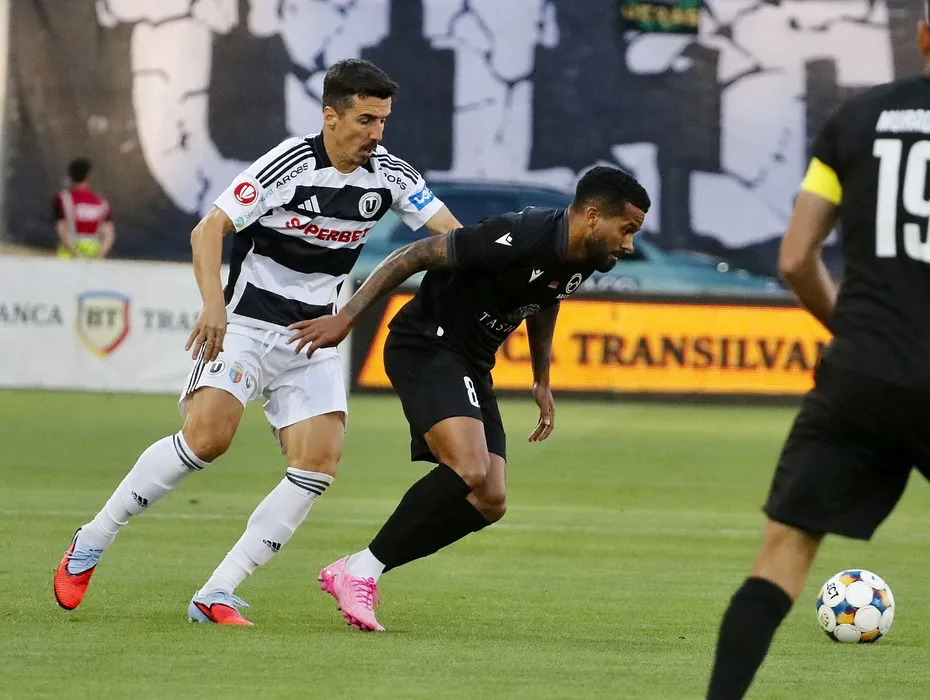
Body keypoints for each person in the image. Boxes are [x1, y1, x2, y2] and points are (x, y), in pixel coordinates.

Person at [53, 59, 462, 625]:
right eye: (366, 120)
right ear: (331, 116)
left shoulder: (391, 175)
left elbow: (454, 237)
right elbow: (208, 230)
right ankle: (94, 538)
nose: (377, 133)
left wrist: (514, 259)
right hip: (245, 325)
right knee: (206, 440)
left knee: (317, 466)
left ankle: (217, 592)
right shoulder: (288, 163)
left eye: (383, 120)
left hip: (313, 337)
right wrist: (213, 306)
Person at [288, 165, 650, 631]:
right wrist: (347, 317)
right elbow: (414, 254)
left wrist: (541, 379)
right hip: (426, 342)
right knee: (468, 467)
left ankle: (358, 566)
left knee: (490, 499)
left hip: (472, 361)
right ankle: (363, 573)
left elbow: (547, 299)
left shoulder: (585, 255)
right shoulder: (519, 235)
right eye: (627, 229)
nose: (629, 245)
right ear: (594, 217)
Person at [704, 15, 930, 700]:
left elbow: (796, 259)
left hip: (859, 374)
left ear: (922, 37)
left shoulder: (854, 121)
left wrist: (853, 330)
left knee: (783, 555)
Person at [54, 158, 115, 259]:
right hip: (93, 254)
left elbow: (61, 228)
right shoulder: (102, 202)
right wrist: (99, 255)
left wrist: (76, 254)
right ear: (88, 177)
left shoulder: (63, 199)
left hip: (68, 257)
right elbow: (108, 233)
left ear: (70, 177)